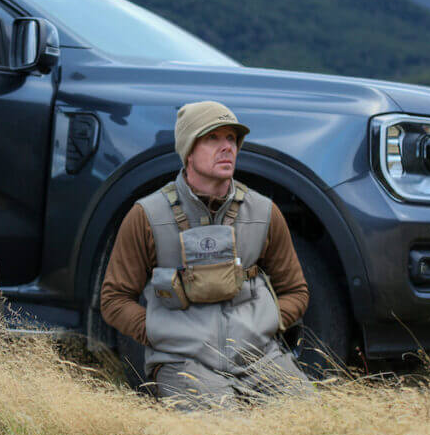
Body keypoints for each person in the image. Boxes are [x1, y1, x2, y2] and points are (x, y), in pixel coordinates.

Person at [100, 101, 314, 407]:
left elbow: (296, 291)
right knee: (222, 428)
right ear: (188, 150)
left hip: (260, 358)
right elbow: (114, 299)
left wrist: (266, 323)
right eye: (212, 138)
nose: (227, 147)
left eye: (231, 139)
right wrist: (159, 334)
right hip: (183, 364)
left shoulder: (264, 212)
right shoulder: (147, 215)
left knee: (308, 416)